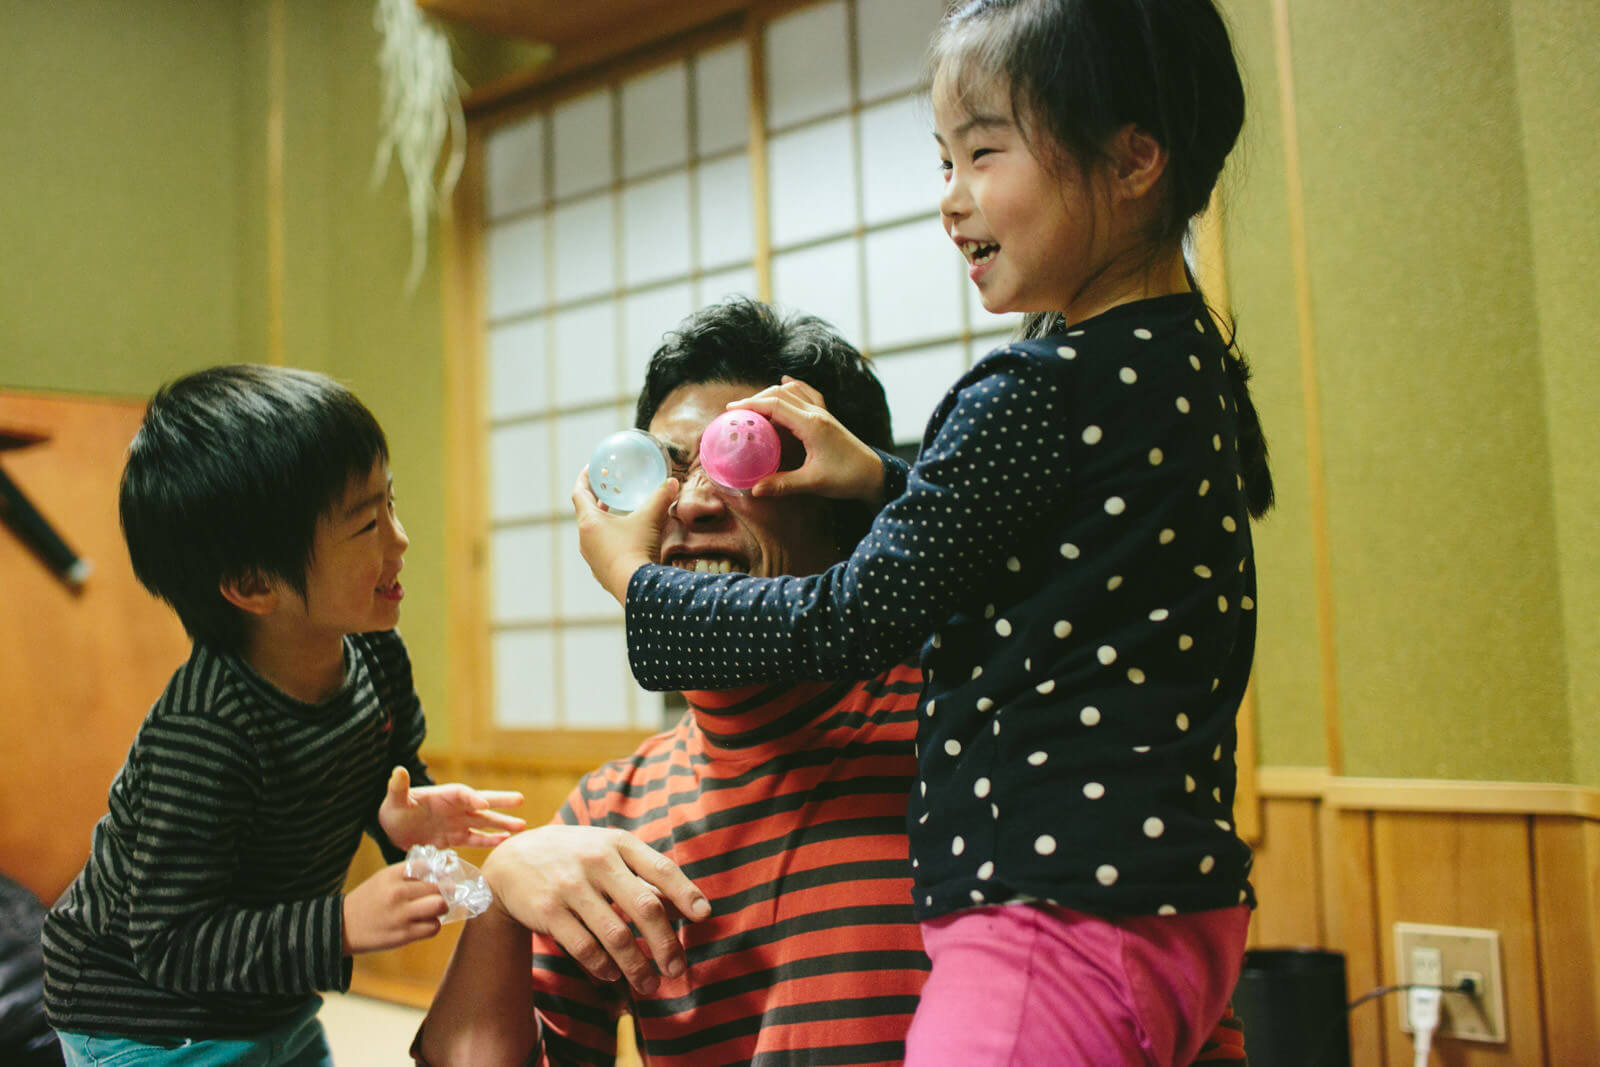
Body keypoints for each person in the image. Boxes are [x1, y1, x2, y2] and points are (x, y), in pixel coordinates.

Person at [573, 1, 1274, 1063]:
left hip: (1047, 909)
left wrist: (638, 584)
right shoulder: (1190, 370)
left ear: (1134, 157)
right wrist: (884, 476)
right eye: (942, 160)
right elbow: (1070, 537)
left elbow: (844, 619)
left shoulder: (1030, 389)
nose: (949, 200)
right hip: (1179, 905)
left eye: (982, 152)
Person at [418, 300, 1246, 1065]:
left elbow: (1163, 1010)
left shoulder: (978, 732)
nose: (693, 503)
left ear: (845, 508)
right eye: (664, 466)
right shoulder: (608, 819)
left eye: (741, 457)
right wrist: (502, 883)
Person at [42, 365, 525, 1066]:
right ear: (253, 584)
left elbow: (384, 772)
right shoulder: (205, 735)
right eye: (366, 523)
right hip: (145, 1017)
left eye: (389, 503)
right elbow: (169, 940)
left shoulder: (375, 654)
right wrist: (338, 925)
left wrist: (401, 819)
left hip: (269, 996)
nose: (400, 539)